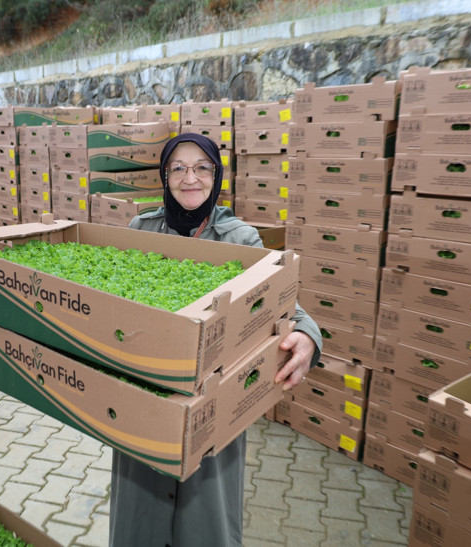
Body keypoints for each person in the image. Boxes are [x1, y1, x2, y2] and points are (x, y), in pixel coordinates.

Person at [110, 133, 323, 547]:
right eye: (179, 168)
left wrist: (307, 334)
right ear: (165, 176)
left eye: (202, 167)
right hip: (146, 393)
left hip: (214, 398)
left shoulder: (241, 239)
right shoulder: (142, 228)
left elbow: (279, 303)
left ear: (217, 176)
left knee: (205, 522)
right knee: (140, 516)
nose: (191, 178)